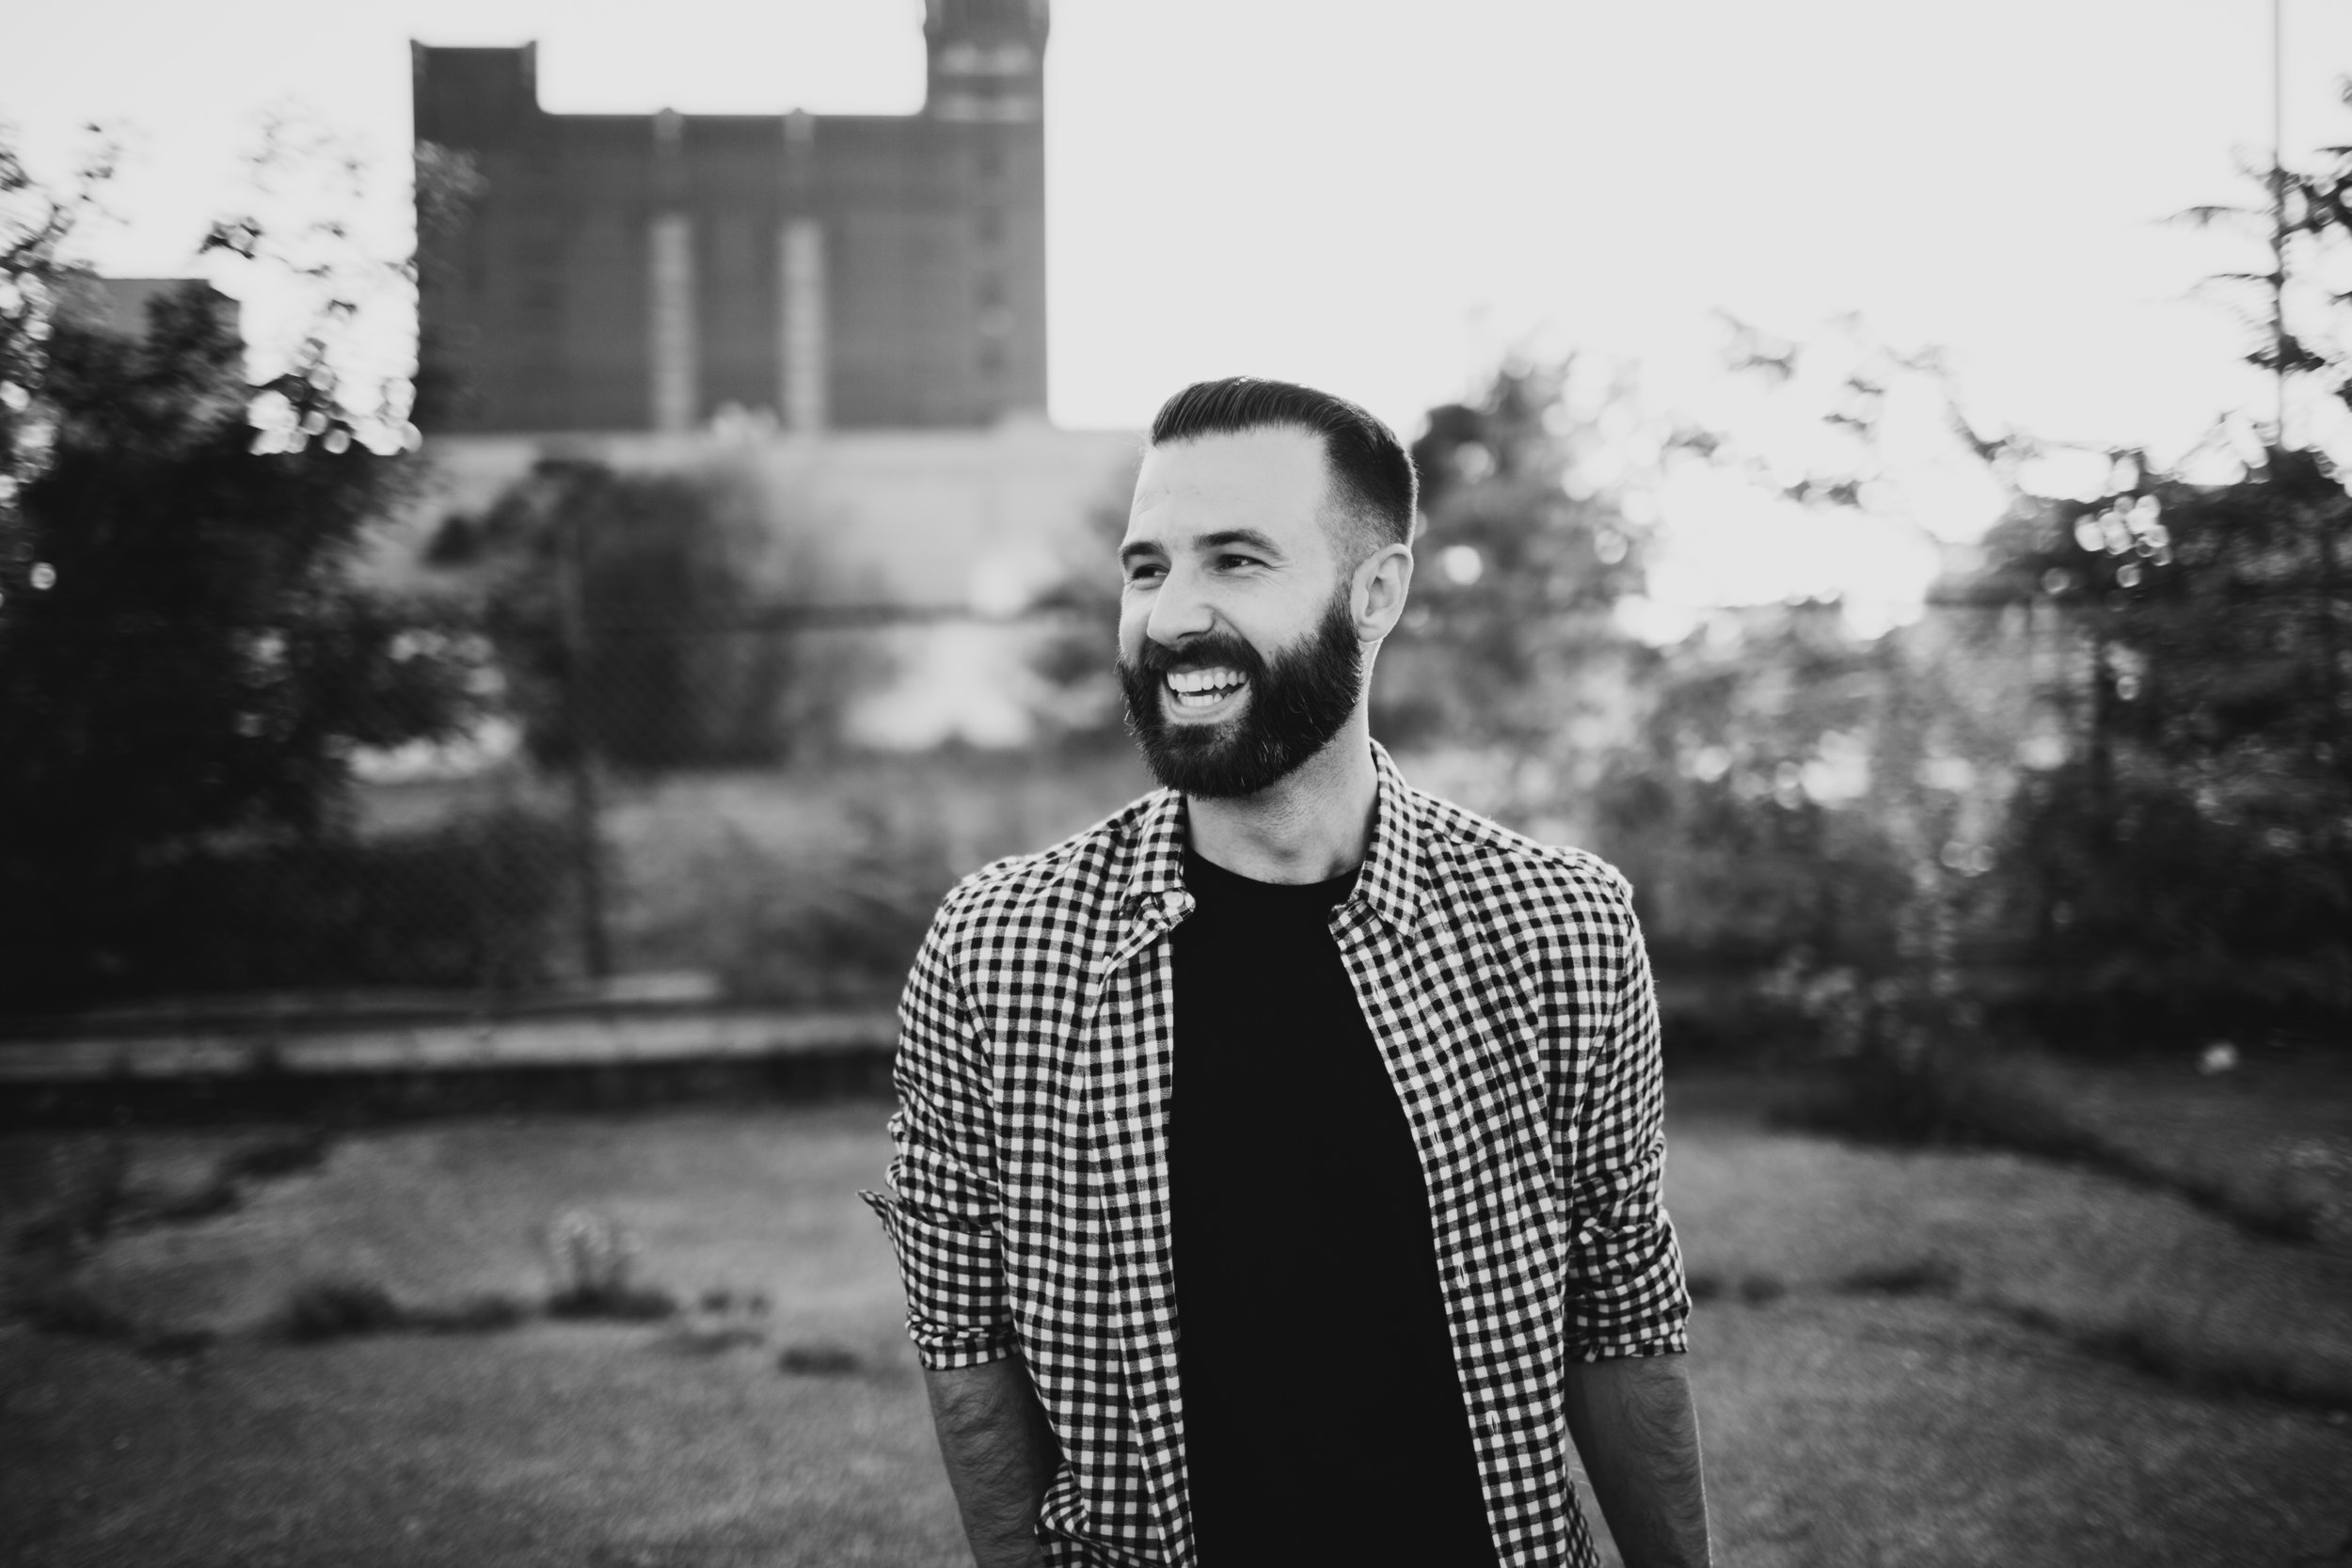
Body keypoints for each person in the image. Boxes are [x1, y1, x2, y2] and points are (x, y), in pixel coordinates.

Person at [864, 377, 1708, 1568]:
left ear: (1376, 595)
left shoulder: (1559, 928)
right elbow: (966, 1345)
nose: (1168, 617)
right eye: (1147, 567)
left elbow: (1623, 1321)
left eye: (1236, 561)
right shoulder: (997, 953)